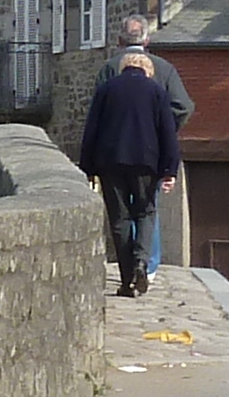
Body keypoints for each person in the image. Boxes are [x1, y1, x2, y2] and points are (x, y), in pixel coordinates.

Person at [77, 47, 180, 299]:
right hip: (147, 162)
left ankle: (126, 281)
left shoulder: (106, 90)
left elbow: (91, 130)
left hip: (110, 163)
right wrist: (170, 170)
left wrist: (87, 167)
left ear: (124, 68)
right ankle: (141, 264)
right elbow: (168, 133)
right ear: (147, 71)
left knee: (120, 219)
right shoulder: (156, 91)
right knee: (145, 213)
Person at [116, 16, 190, 276]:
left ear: (119, 41)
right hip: (151, 153)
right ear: (147, 41)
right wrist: (163, 133)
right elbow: (183, 106)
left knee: (121, 214)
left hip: (115, 153)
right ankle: (147, 264)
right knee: (148, 209)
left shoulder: (109, 69)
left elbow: (96, 114)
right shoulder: (164, 69)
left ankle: (127, 265)